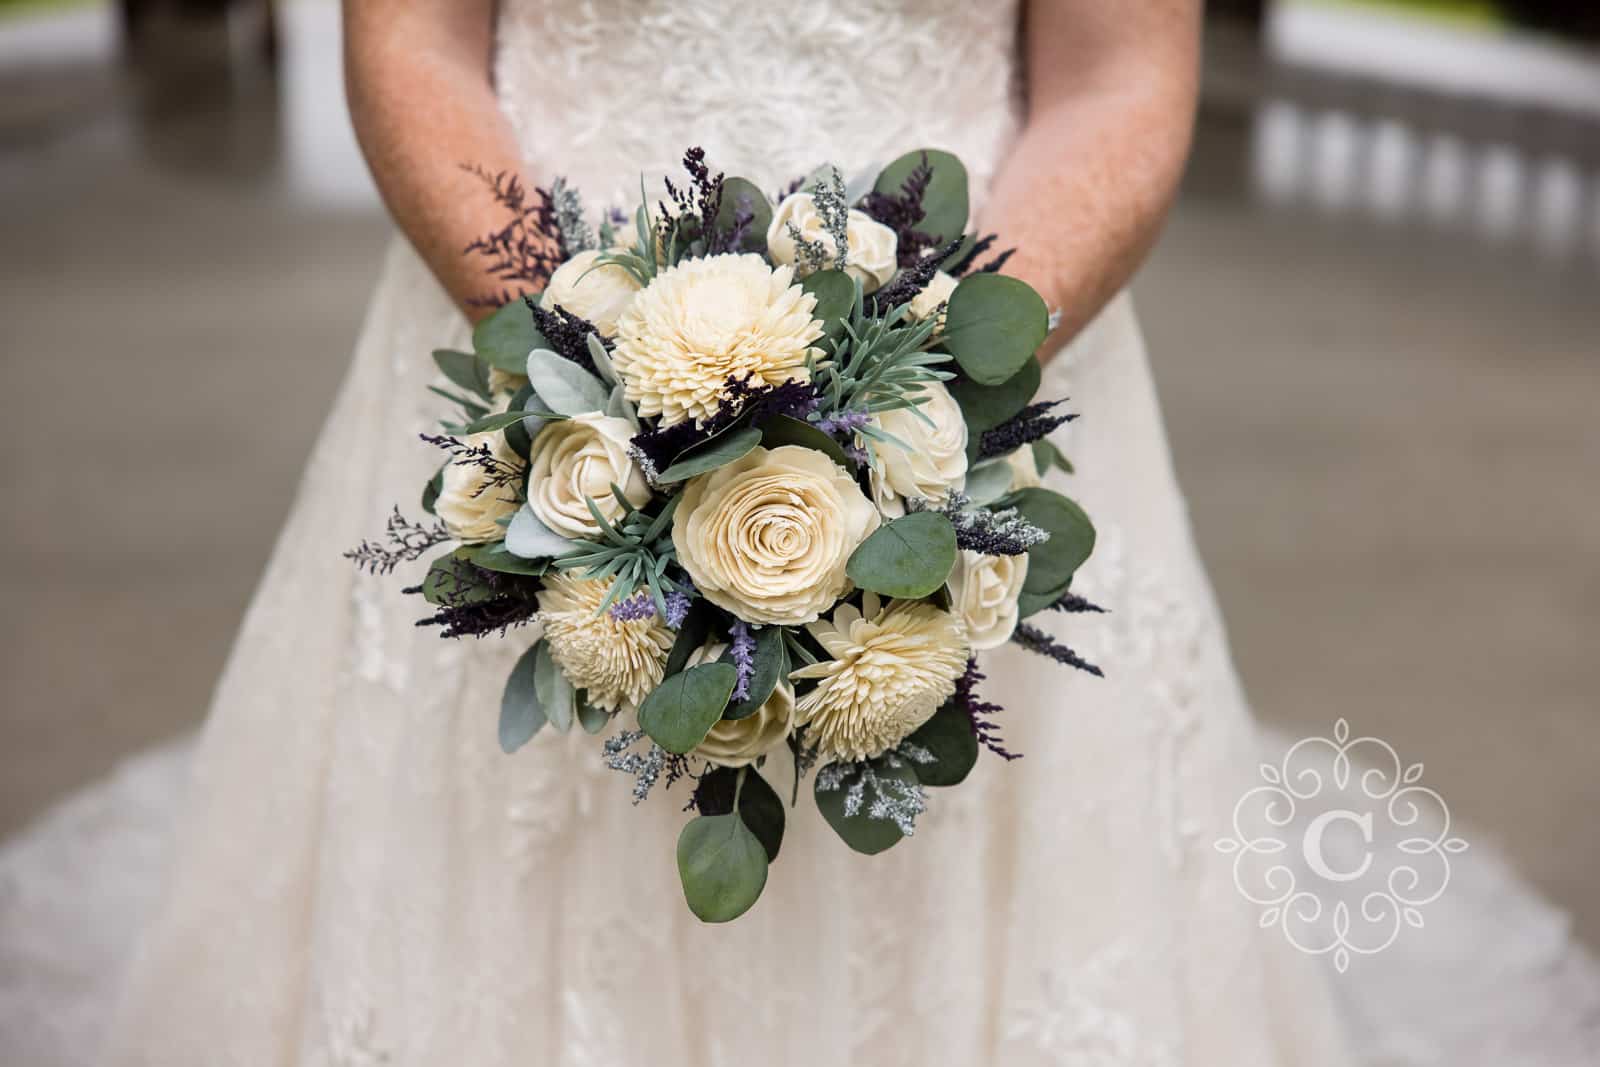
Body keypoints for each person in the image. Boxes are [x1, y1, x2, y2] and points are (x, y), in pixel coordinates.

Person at [101, 1, 1359, 1061]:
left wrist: (919, 396)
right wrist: (602, 394)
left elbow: (1119, 78)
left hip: (978, 363)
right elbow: (414, 40)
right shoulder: (570, 374)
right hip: (534, 360)